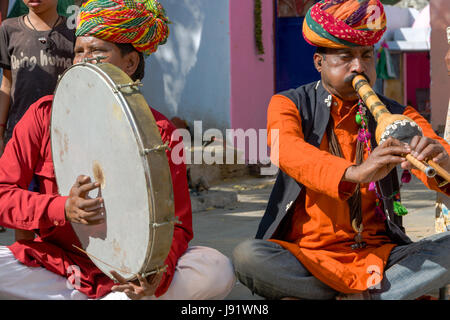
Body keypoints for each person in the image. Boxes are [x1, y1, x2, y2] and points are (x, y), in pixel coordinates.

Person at [0, 0, 235, 300]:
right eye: (78, 52)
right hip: (55, 267)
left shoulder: (160, 131)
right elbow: (2, 195)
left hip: (124, 276)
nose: (84, 60)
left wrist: (155, 274)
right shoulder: (43, 115)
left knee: (217, 268)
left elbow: (177, 225)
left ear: (130, 63)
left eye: (97, 52)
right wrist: (62, 208)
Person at [232, 0, 450, 300]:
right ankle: (375, 295)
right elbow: (290, 153)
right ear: (319, 63)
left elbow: (439, 160)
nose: (359, 67)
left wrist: (442, 162)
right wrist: (356, 173)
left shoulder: (399, 114)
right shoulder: (289, 104)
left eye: (366, 56)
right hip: (307, 256)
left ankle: (351, 296)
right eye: (346, 57)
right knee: (248, 258)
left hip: (380, 257)